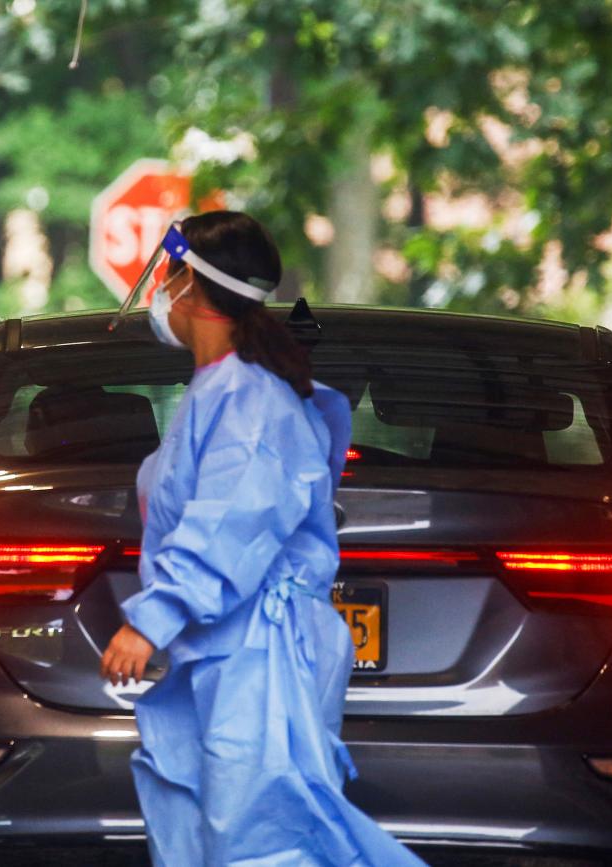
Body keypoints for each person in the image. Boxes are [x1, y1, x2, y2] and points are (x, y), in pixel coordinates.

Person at [100, 212, 426, 866]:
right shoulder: (219, 392)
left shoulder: (249, 400)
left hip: (257, 656)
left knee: (263, 837)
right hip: (223, 651)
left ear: (186, 280)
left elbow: (229, 522)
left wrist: (152, 619)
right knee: (212, 830)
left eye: (168, 276)